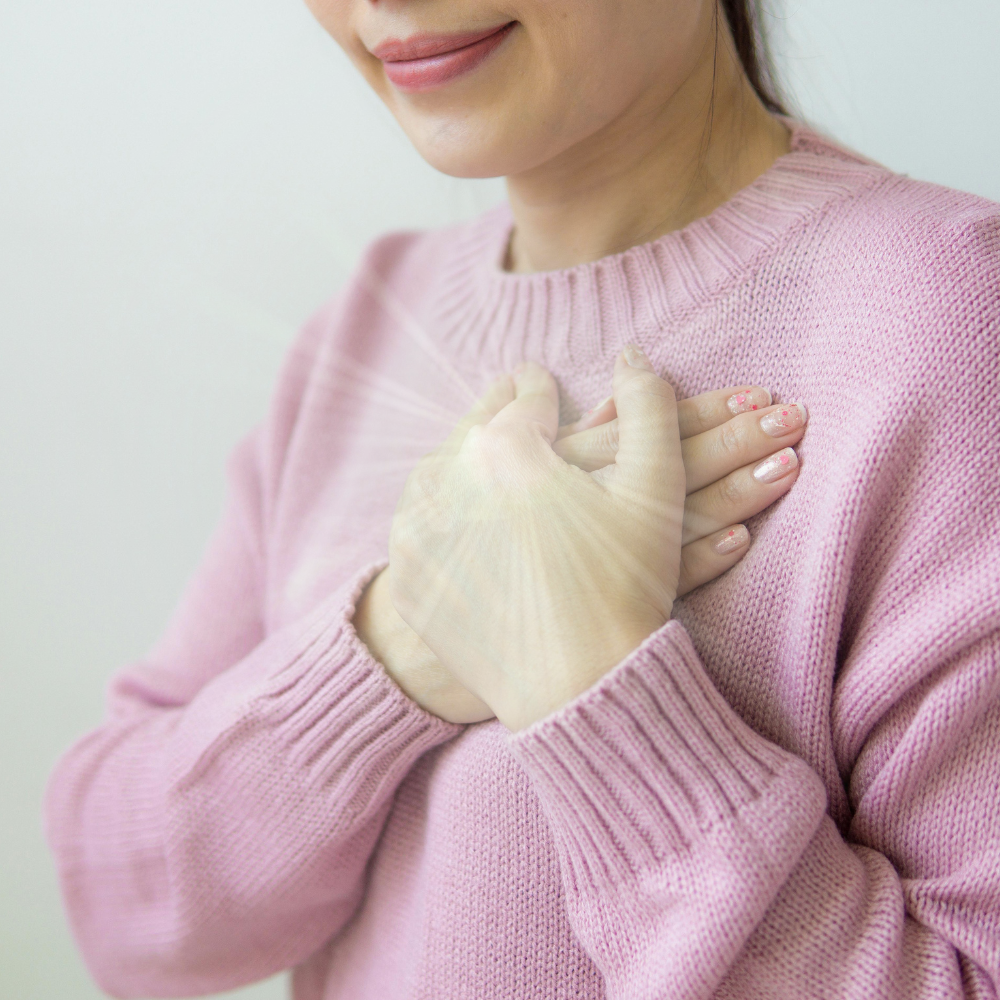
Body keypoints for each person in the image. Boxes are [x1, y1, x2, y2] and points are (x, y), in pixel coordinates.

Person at [45, 1, 1000, 998]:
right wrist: (399, 640)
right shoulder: (370, 323)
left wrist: (595, 679)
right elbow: (123, 913)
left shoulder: (948, 327)